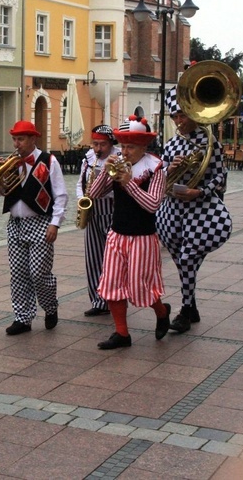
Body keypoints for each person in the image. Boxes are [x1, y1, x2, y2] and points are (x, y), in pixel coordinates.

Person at [88, 115, 169, 349]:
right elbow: (93, 193)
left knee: (140, 286)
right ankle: (122, 333)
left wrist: (129, 183)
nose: (125, 151)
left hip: (143, 236)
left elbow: (153, 204)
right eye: (123, 146)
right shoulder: (117, 164)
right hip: (117, 233)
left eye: (130, 146)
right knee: (111, 284)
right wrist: (106, 171)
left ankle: (162, 312)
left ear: (143, 146)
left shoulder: (155, 168)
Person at [156, 86, 232, 333]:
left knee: (188, 259)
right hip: (172, 210)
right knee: (181, 262)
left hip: (201, 210)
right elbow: (161, 177)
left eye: (182, 115)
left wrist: (199, 192)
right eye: (175, 117)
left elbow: (220, 176)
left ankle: (185, 312)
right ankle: (193, 306)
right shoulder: (170, 145)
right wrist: (170, 169)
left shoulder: (211, 143)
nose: (179, 121)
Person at [0, 121, 68, 335]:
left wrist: (55, 223)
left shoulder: (49, 161)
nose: (16, 144)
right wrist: (0, 178)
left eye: (20, 139)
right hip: (16, 224)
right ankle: (22, 318)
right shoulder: (12, 163)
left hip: (41, 223)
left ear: (32, 139)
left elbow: (61, 194)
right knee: (18, 273)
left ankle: (50, 306)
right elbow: (3, 193)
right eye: (14, 139)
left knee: (39, 273)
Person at [76, 125, 120, 317]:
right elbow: (80, 183)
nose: (98, 148)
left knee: (111, 259)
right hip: (92, 211)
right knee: (93, 258)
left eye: (102, 144)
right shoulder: (88, 158)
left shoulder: (119, 158)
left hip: (112, 210)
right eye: (95, 144)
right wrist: (82, 199)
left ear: (111, 143)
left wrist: (100, 191)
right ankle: (98, 300)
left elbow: (120, 187)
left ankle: (113, 298)